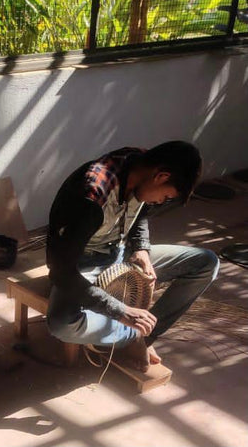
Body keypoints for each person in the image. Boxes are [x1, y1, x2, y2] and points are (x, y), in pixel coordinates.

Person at [46, 141, 220, 372]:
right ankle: (133, 336)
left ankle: (142, 335)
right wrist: (121, 311)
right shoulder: (91, 197)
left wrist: (141, 249)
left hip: (121, 251)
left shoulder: (141, 165)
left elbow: (140, 211)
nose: (160, 202)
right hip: (84, 262)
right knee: (63, 325)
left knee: (207, 263)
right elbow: (60, 271)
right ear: (161, 176)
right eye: (165, 196)